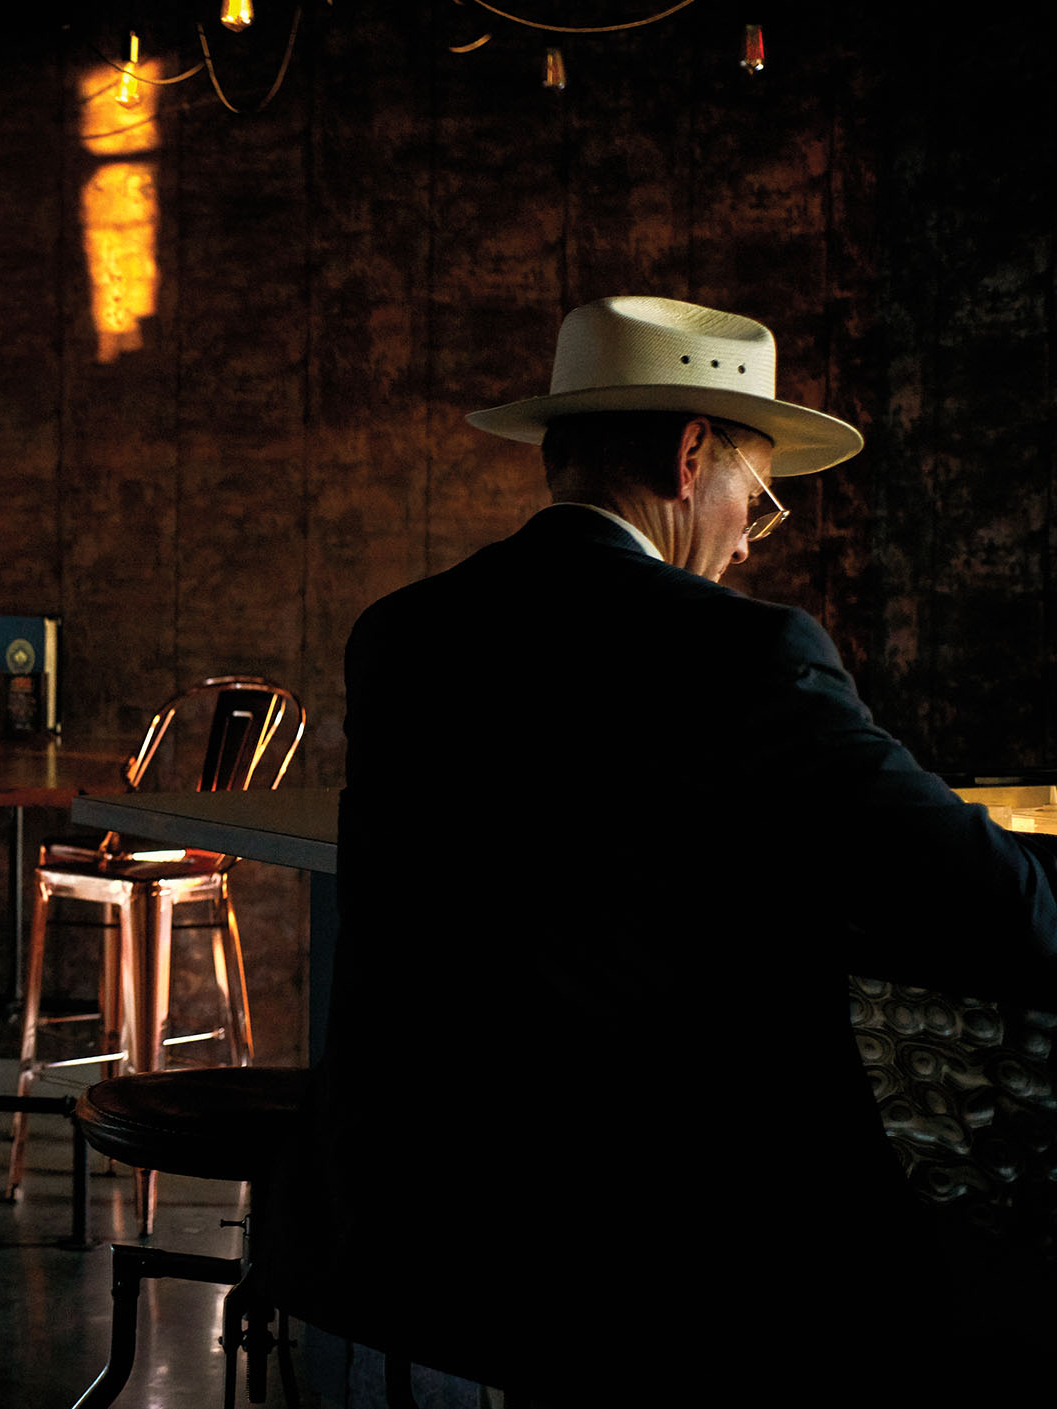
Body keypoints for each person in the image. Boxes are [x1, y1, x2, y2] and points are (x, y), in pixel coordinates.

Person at [303, 296, 1057, 1398]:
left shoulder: (403, 630)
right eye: (758, 496)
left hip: (414, 1207)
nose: (753, 532)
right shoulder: (744, 648)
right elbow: (983, 897)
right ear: (689, 453)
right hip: (665, 1244)